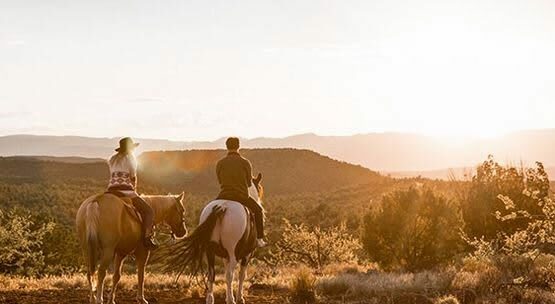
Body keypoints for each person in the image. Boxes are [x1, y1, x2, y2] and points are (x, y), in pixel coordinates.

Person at [107, 137, 158, 250]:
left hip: (111, 190)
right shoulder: (131, 158)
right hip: (126, 191)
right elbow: (133, 177)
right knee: (149, 211)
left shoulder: (111, 159)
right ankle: (147, 238)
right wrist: (134, 190)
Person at [216, 137, 266, 247]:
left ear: (226, 146)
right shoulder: (245, 163)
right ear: (238, 146)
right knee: (258, 210)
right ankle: (259, 239)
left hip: (223, 195)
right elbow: (249, 183)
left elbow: (220, 181)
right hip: (240, 196)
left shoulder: (220, 163)